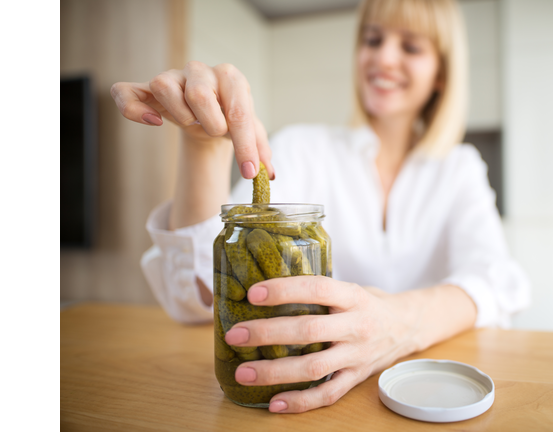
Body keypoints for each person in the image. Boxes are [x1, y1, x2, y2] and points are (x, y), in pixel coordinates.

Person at [110, 0, 530, 414]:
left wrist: (400, 324)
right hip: (308, 404)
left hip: (431, 391)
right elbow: (197, 293)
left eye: (411, 47)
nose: (384, 56)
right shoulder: (300, 147)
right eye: (373, 38)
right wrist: (202, 147)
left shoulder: (460, 167)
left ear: (441, 73)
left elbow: (494, 282)